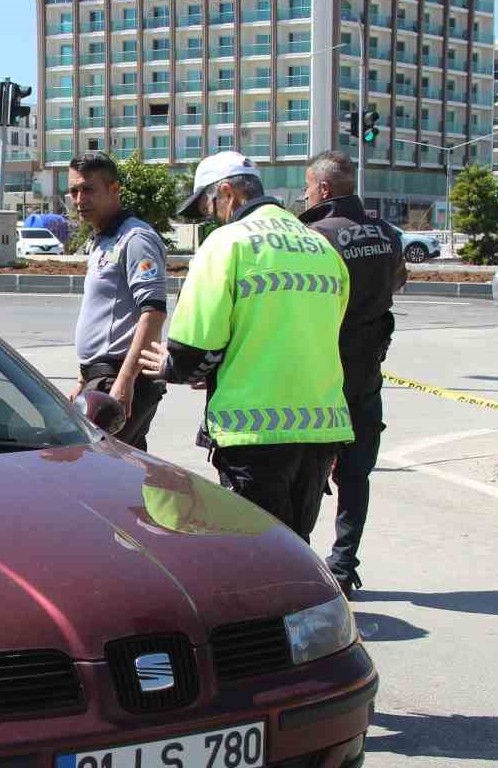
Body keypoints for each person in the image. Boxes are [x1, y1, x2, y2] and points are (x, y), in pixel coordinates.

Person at [137, 151, 354, 541]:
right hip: (320, 429)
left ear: (226, 192)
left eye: (208, 206)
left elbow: (193, 351)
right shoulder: (320, 246)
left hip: (252, 434)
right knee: (296, 549)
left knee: (258, 555)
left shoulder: (228, 244)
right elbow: (319, 331)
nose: (211, 218)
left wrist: (171, 367)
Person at [298, 151, 408, 597]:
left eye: (308, 186)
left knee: (304, 473)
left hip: (319, 375)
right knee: (355, 475)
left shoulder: (315, 235)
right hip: (366, 374)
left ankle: (297, 562)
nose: (306, 194)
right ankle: (343, 566)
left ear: (323, 189)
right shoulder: (386, 232)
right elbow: (399, 279)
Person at [65, 152, 169, 449]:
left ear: (114, 190)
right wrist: (83, 381)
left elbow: (154, 312)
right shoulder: (103, 239)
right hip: (101, 377)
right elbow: (104, 318)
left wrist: (125, 382)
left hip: (119, 378)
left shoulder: (135, 238)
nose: (79, 199)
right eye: (74, 191)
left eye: (88, 189)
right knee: (121, 472)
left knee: (96, 467)